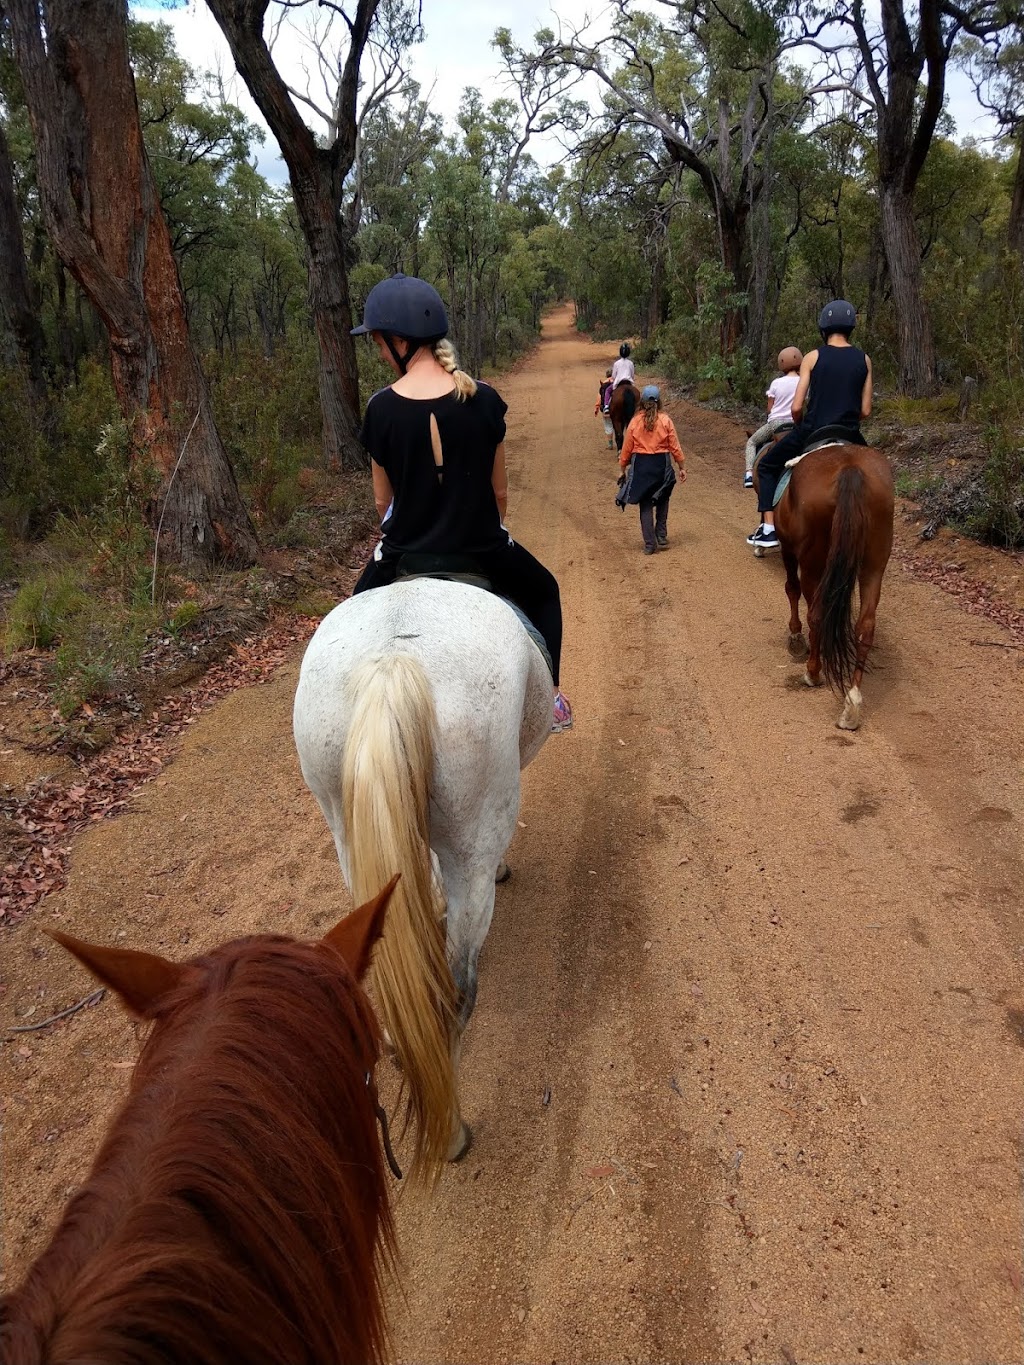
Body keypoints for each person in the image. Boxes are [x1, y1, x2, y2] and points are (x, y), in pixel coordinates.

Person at [350, 272, 572, 733]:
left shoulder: (380, 409)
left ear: (398, 342)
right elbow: (500, 495)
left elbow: (381, 504)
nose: (378, 352)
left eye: (376, 342)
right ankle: (552, 701)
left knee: (350, 619)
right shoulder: (484, 399)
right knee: (546, 591)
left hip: (404, 555)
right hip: (482, 550)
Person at [747, 300, 872, 552]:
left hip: (813, 430)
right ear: (851, 327)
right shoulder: (864, 359)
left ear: (823, 327)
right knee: (872, 476)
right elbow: (866, 410)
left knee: (768, 465)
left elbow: (796, 408)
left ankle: (769, 528)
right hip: (850, 433)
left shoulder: (813, 357)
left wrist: (802, 424)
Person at [617, 385, 686, 555]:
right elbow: (675, 446)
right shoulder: (665, 420)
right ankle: (661, 535)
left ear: (641, 402)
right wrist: (681, 466)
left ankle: (649, 544)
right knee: (663, 498)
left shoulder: (634, 422)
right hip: (661, 464)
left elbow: (626, 448)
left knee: (645, 503)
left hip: (641, 465)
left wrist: (622, 469)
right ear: (659, 401)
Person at [743, 347, 802, 488]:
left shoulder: (776, 383)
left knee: (751, 442)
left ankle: (749, 475)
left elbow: (770, 408)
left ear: (781, 363)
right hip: (796, 424)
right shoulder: (803, 381)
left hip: (775, 425)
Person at [595, 367, 614, 448]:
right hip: (619, 411)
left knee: (608, 425)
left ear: (607, 375)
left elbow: (599, 400)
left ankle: (610, 444)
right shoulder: (619, 383)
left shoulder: (603, 385)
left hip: (607, 410)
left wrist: (596, 409)